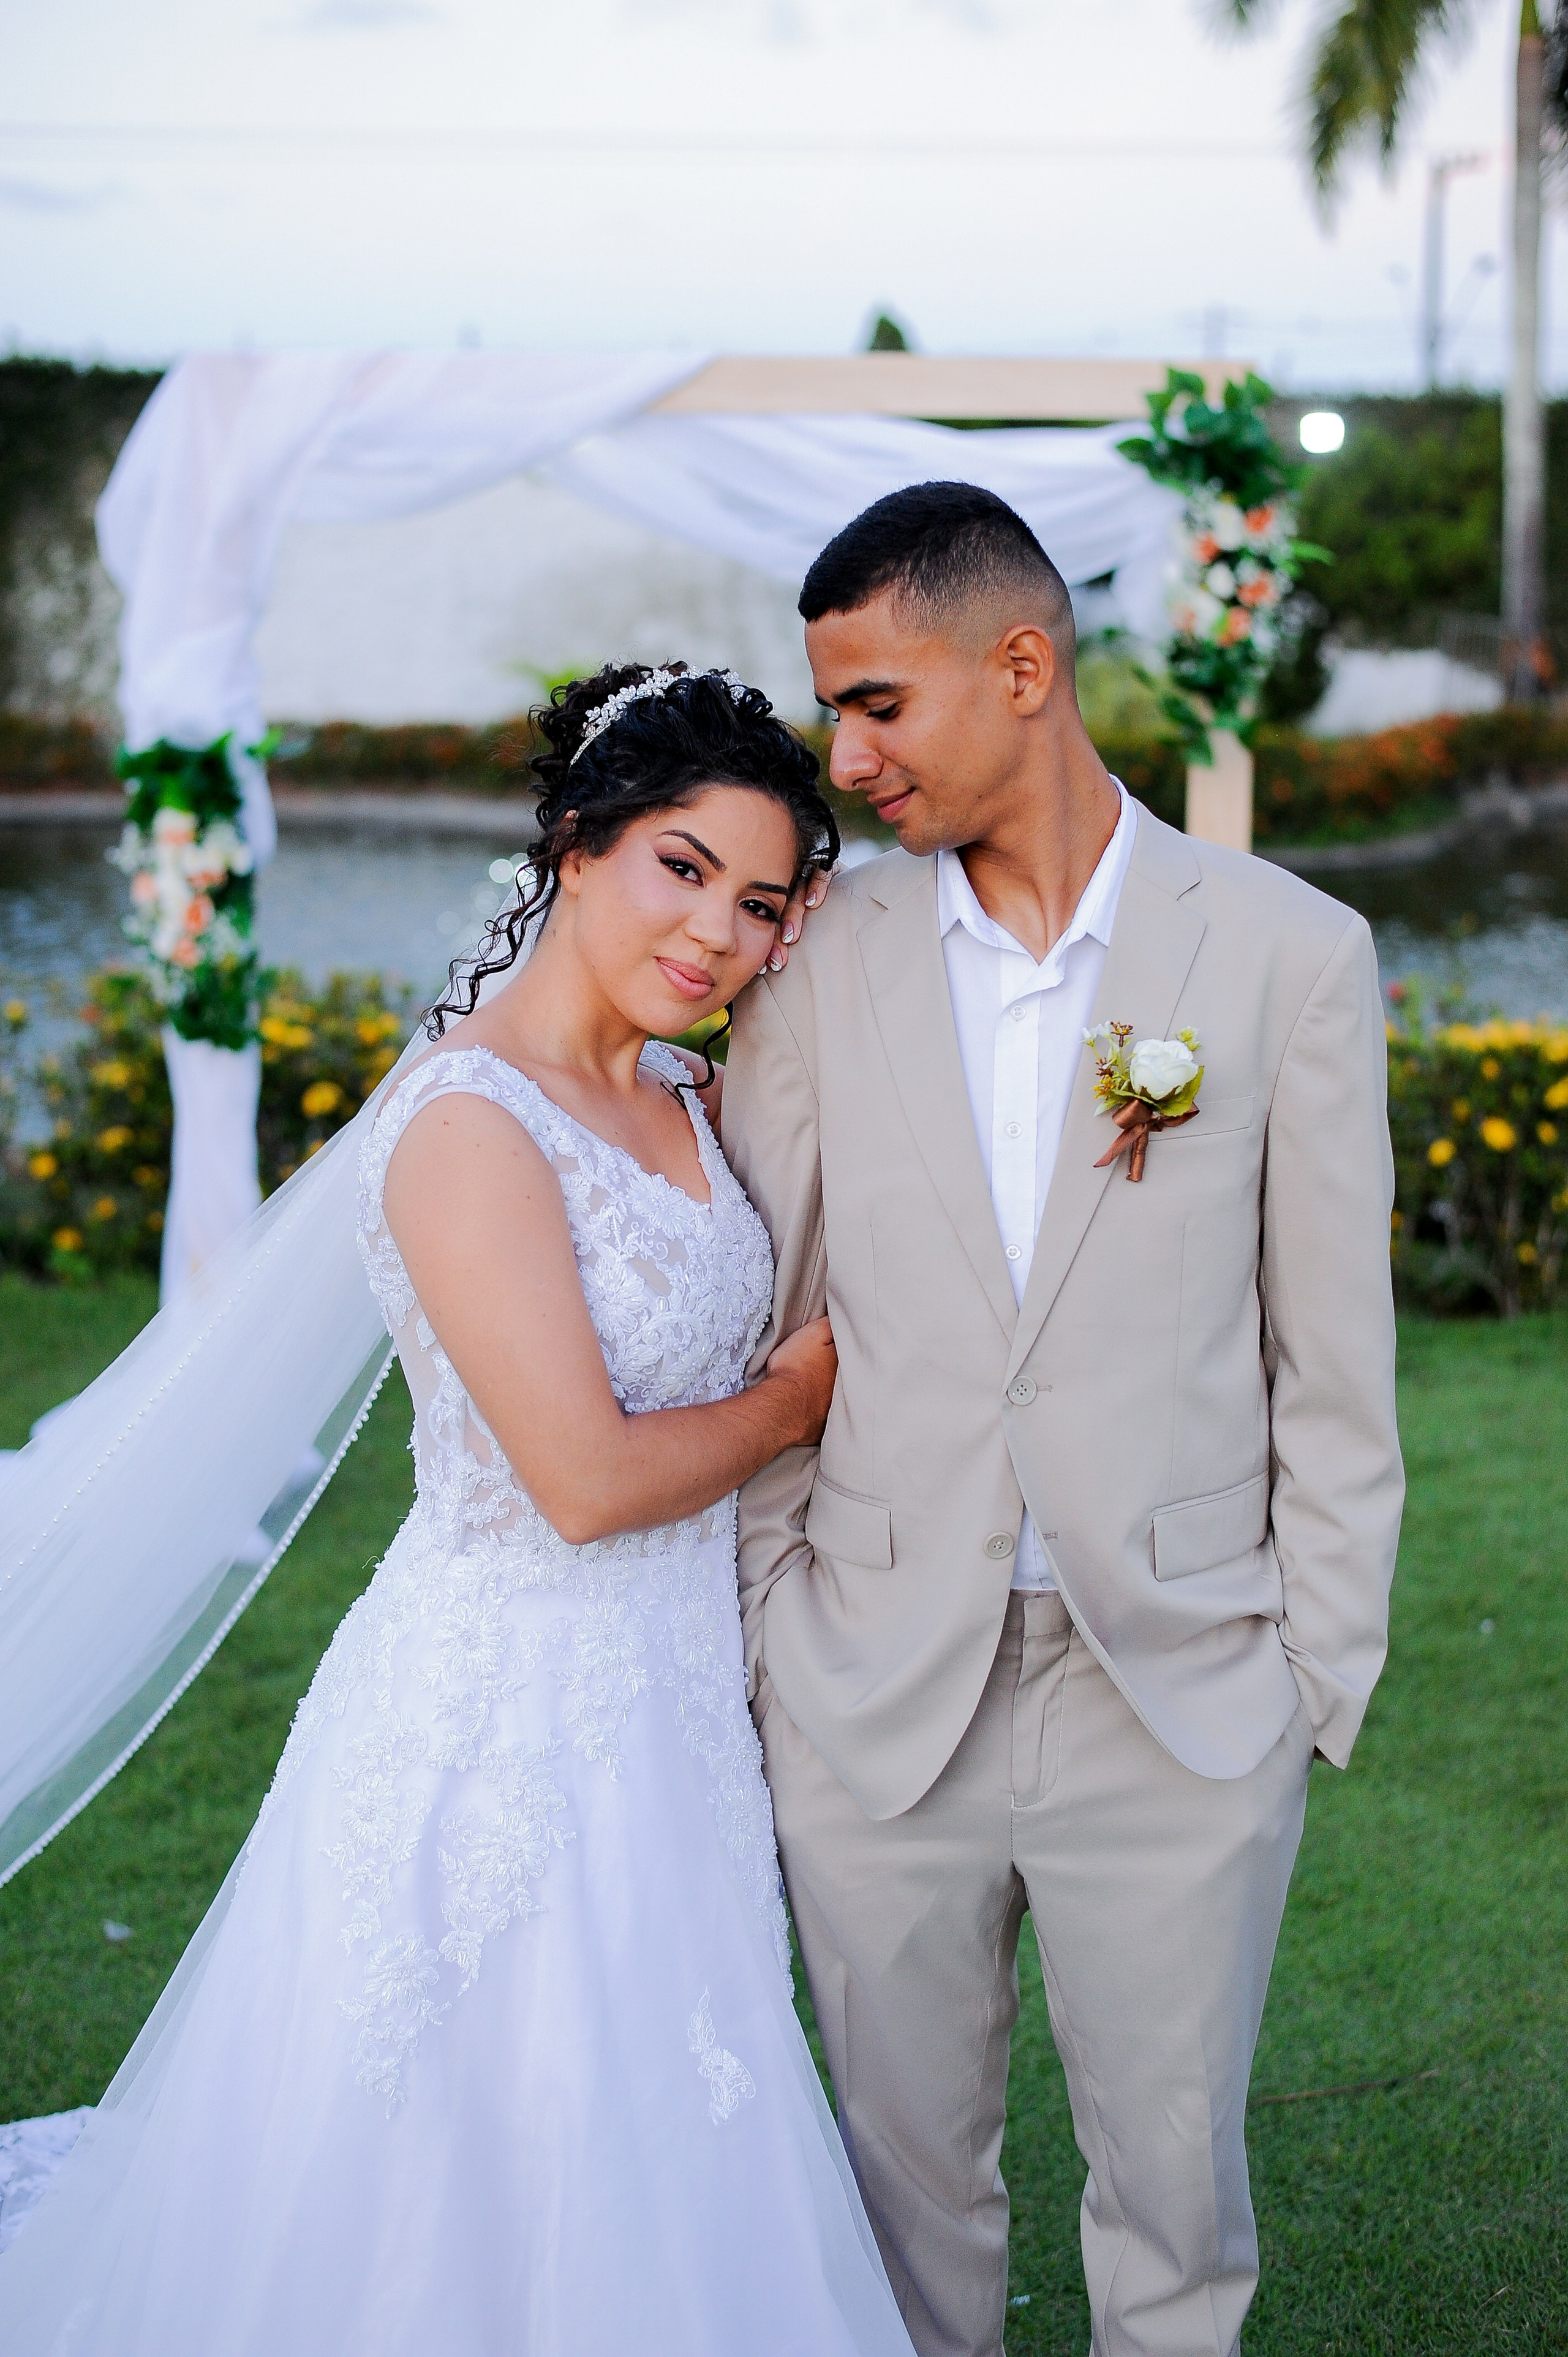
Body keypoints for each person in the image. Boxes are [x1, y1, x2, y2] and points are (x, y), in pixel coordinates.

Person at [0, 664, 914, 2357]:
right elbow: (581, 1481)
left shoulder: (690, 1098)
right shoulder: (465, 1131)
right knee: (453, 2151)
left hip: (677, 1720)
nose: (722, 931)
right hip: (496, 1716)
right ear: (576, 849)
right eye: (684, 868)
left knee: (662, 2106)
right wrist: (798, 1394)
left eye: (767, 901)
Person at [723, 484, 1405, 2357]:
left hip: (1178, 1697)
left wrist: (1305, 1674)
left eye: (877, 705)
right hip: (873, 1687)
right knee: (895, 2195)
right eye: (831, 713)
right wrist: (783, 1629)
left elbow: (1333, 1363)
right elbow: (773, 1322)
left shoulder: (1287, 955)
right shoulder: (813, 965)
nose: (844, 759)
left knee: (1173, 2212)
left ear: (1023, 668)